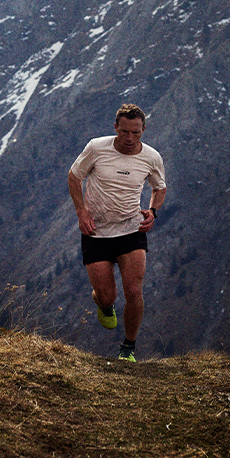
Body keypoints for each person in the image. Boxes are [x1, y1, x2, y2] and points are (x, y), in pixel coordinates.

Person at [67, 103, 167, 362]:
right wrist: (81, 213)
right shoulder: (96, 148)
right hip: (95, 232)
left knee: (134, 291)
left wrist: (152, 212)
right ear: (115, 128)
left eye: (136, 132)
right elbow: (74, 176)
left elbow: (160, 188)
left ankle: (128, 349)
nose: (130, 138)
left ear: (143, 130)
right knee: (107, 295)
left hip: (131, 230)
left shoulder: (151, 157)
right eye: (125, 132)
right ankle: (103, 302)